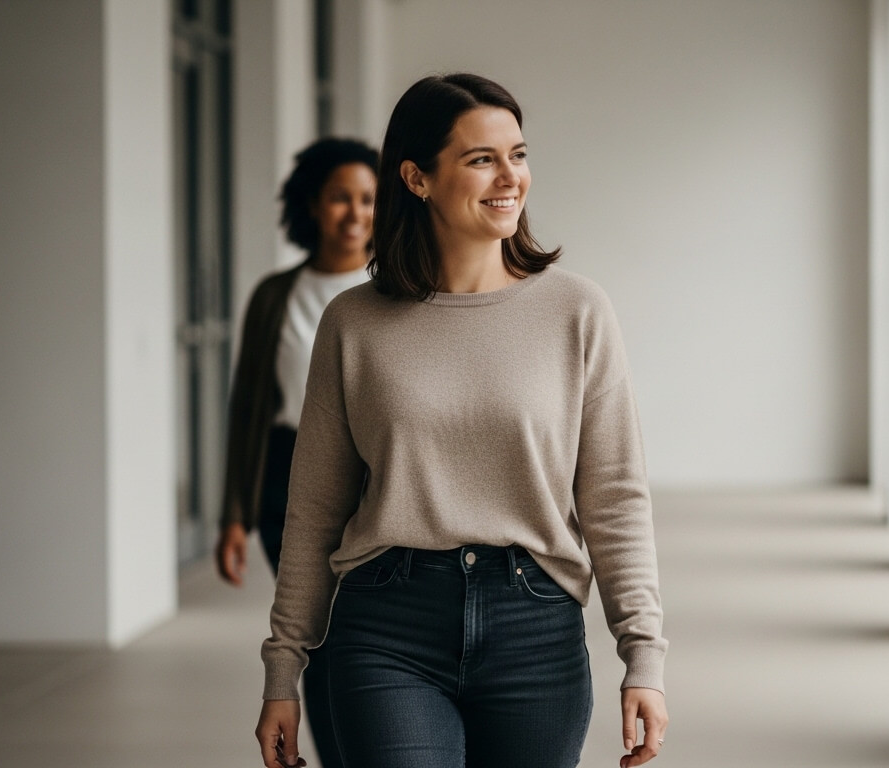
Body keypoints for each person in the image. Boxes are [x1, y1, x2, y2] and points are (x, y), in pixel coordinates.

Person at [254, 73, 669, 768]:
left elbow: (615, 495)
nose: (511, 176)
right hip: (387, 624)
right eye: (482, 159)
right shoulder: (354, 324)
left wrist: (644, 656)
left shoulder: (577, 311)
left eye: (519, 153)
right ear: (417, 178)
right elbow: (316, 506)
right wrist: (283, 671)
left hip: (535, 624)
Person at [218, 137, 380, 768]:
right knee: (316, 629)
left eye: (369, 199)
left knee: (364, 629)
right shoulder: (274, 296)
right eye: (341, 197)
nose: (356, 213)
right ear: (312, 204)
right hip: (287, 478)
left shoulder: (397, 284)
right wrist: (234, 512)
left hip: (375, 472)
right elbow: (247, 410)